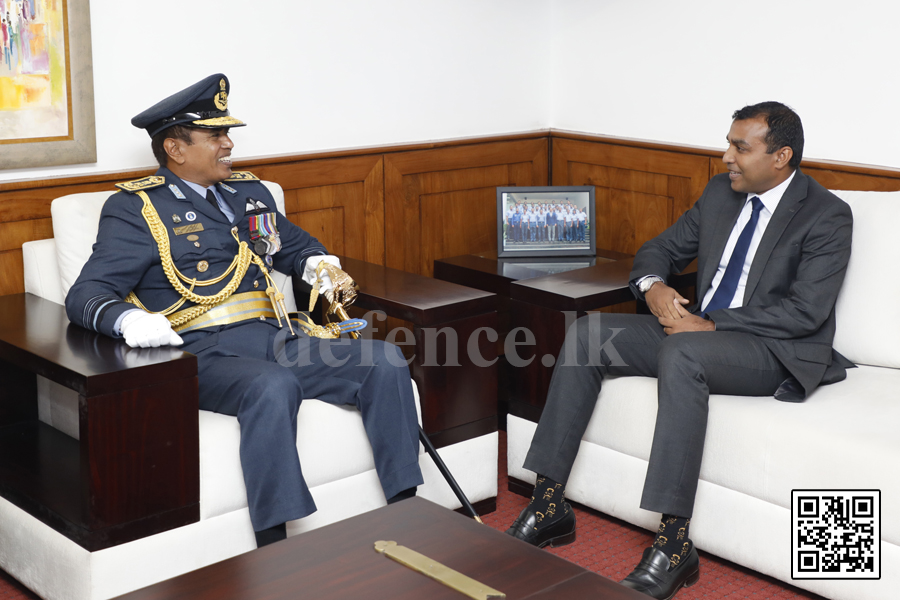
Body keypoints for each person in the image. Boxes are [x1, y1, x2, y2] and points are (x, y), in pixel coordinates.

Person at [504, 102, 853, 599]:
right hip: (700, 332)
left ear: (781, 157)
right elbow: (659, 249)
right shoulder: (720, 193)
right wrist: (653, 288)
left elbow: (804, 312)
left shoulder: (827, 215)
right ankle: (549, 502)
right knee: (588, 334)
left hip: (772, 349)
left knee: (682, 353)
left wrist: (708, 323)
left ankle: (673, 542)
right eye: (728, 142)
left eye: (740, 147)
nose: (726, 156)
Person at [65, 74, 424, 549]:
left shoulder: (248, 195)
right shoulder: (136, 208)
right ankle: (276, 543)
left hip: (277, 338)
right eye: (216, 135)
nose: (229, 144)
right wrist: (129, 320)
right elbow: (86, 295)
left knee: (385, 360)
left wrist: (318, 263)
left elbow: (295, 247)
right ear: (175, 149)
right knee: (273, 385)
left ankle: (407, 508)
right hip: (203, 354)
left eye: (226, 134)